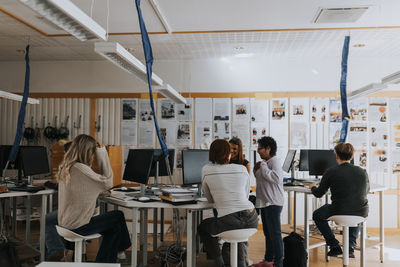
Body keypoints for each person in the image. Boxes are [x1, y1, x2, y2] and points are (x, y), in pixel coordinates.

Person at [56, 134, 131, 263]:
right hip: (77, 226)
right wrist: (102, 153)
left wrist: (100, 192)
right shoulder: (82, 169)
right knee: (117, 216)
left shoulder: (69, 166)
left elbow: (81, 191)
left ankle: (111, 257)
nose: (93, 156)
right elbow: (108, 182)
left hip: (65, 224)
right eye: (93, 153)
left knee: (114, 228)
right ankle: (120, 250)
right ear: (88, 152)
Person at [198, 139, 258, 267]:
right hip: (252, 218)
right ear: (229, 154)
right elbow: (246, 195)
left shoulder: (206, 170)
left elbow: (210, 200)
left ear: (211, 154)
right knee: (238, 230)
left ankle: (220, 263)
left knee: (202, 227)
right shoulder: (242, 168)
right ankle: (241, 264)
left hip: (229, 221)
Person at [308, 142, 369, 258]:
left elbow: (319, 194)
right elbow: (366, 191)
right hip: (361, 212)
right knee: (354, 208)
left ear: (336, 156)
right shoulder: (363, 172)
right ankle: (350, 247)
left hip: (338, 210)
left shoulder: (331, 171)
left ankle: (334, 246)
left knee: (317, 215)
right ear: (351, 157)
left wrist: (312, 187)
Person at [253, 136, 284, 267]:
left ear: (268, 149)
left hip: (273, 203)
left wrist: (263, 165)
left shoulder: (274, 161)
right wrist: (256, 169)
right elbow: (261, 178)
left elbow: (276, 178)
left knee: (275, 234)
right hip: (265, 202)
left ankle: (278, 263)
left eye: (260, 148)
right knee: (268, 233)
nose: (258, 151)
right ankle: (268, 260)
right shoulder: (265, 162)